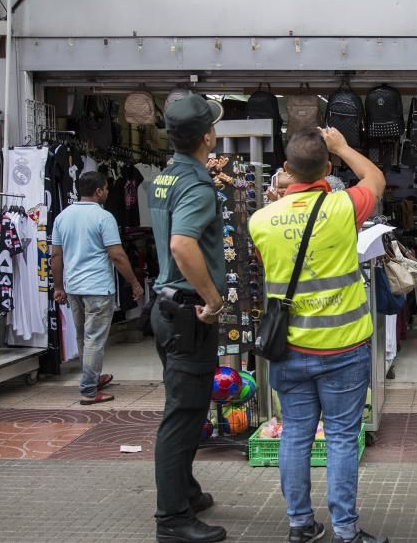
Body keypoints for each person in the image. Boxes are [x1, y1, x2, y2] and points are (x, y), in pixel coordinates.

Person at [249, 127, 387, 543]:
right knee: (343, 439)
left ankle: (300, 525)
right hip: (344, 348)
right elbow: (375, 179)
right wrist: (343, 146)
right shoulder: (344, 207)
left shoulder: (260, 219)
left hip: (288, 349)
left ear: (286, 170)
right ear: (328, 168)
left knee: (295, 435)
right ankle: (346, 530)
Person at [148, 93, 228, 543]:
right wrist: (212, 298)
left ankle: (186, 490)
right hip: (187, 311)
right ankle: (173, 518)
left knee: (185, 405)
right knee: (183, 414)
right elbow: (183, 244)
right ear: (206, 136)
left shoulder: (165, 177)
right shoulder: (196, 184)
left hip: (167, 306)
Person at [51, 170, 144, 405]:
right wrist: (134, 282)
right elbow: (117, 255)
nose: (107, 193)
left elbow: (56, 256)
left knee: (83, 337)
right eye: (106, 189)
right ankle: (89, 390)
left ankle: (90, 377)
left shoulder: (63, 216)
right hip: (98, 288)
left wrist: (59, 287)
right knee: (94, 339)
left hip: (74, 288)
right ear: (99, 191)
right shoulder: (104, 217)